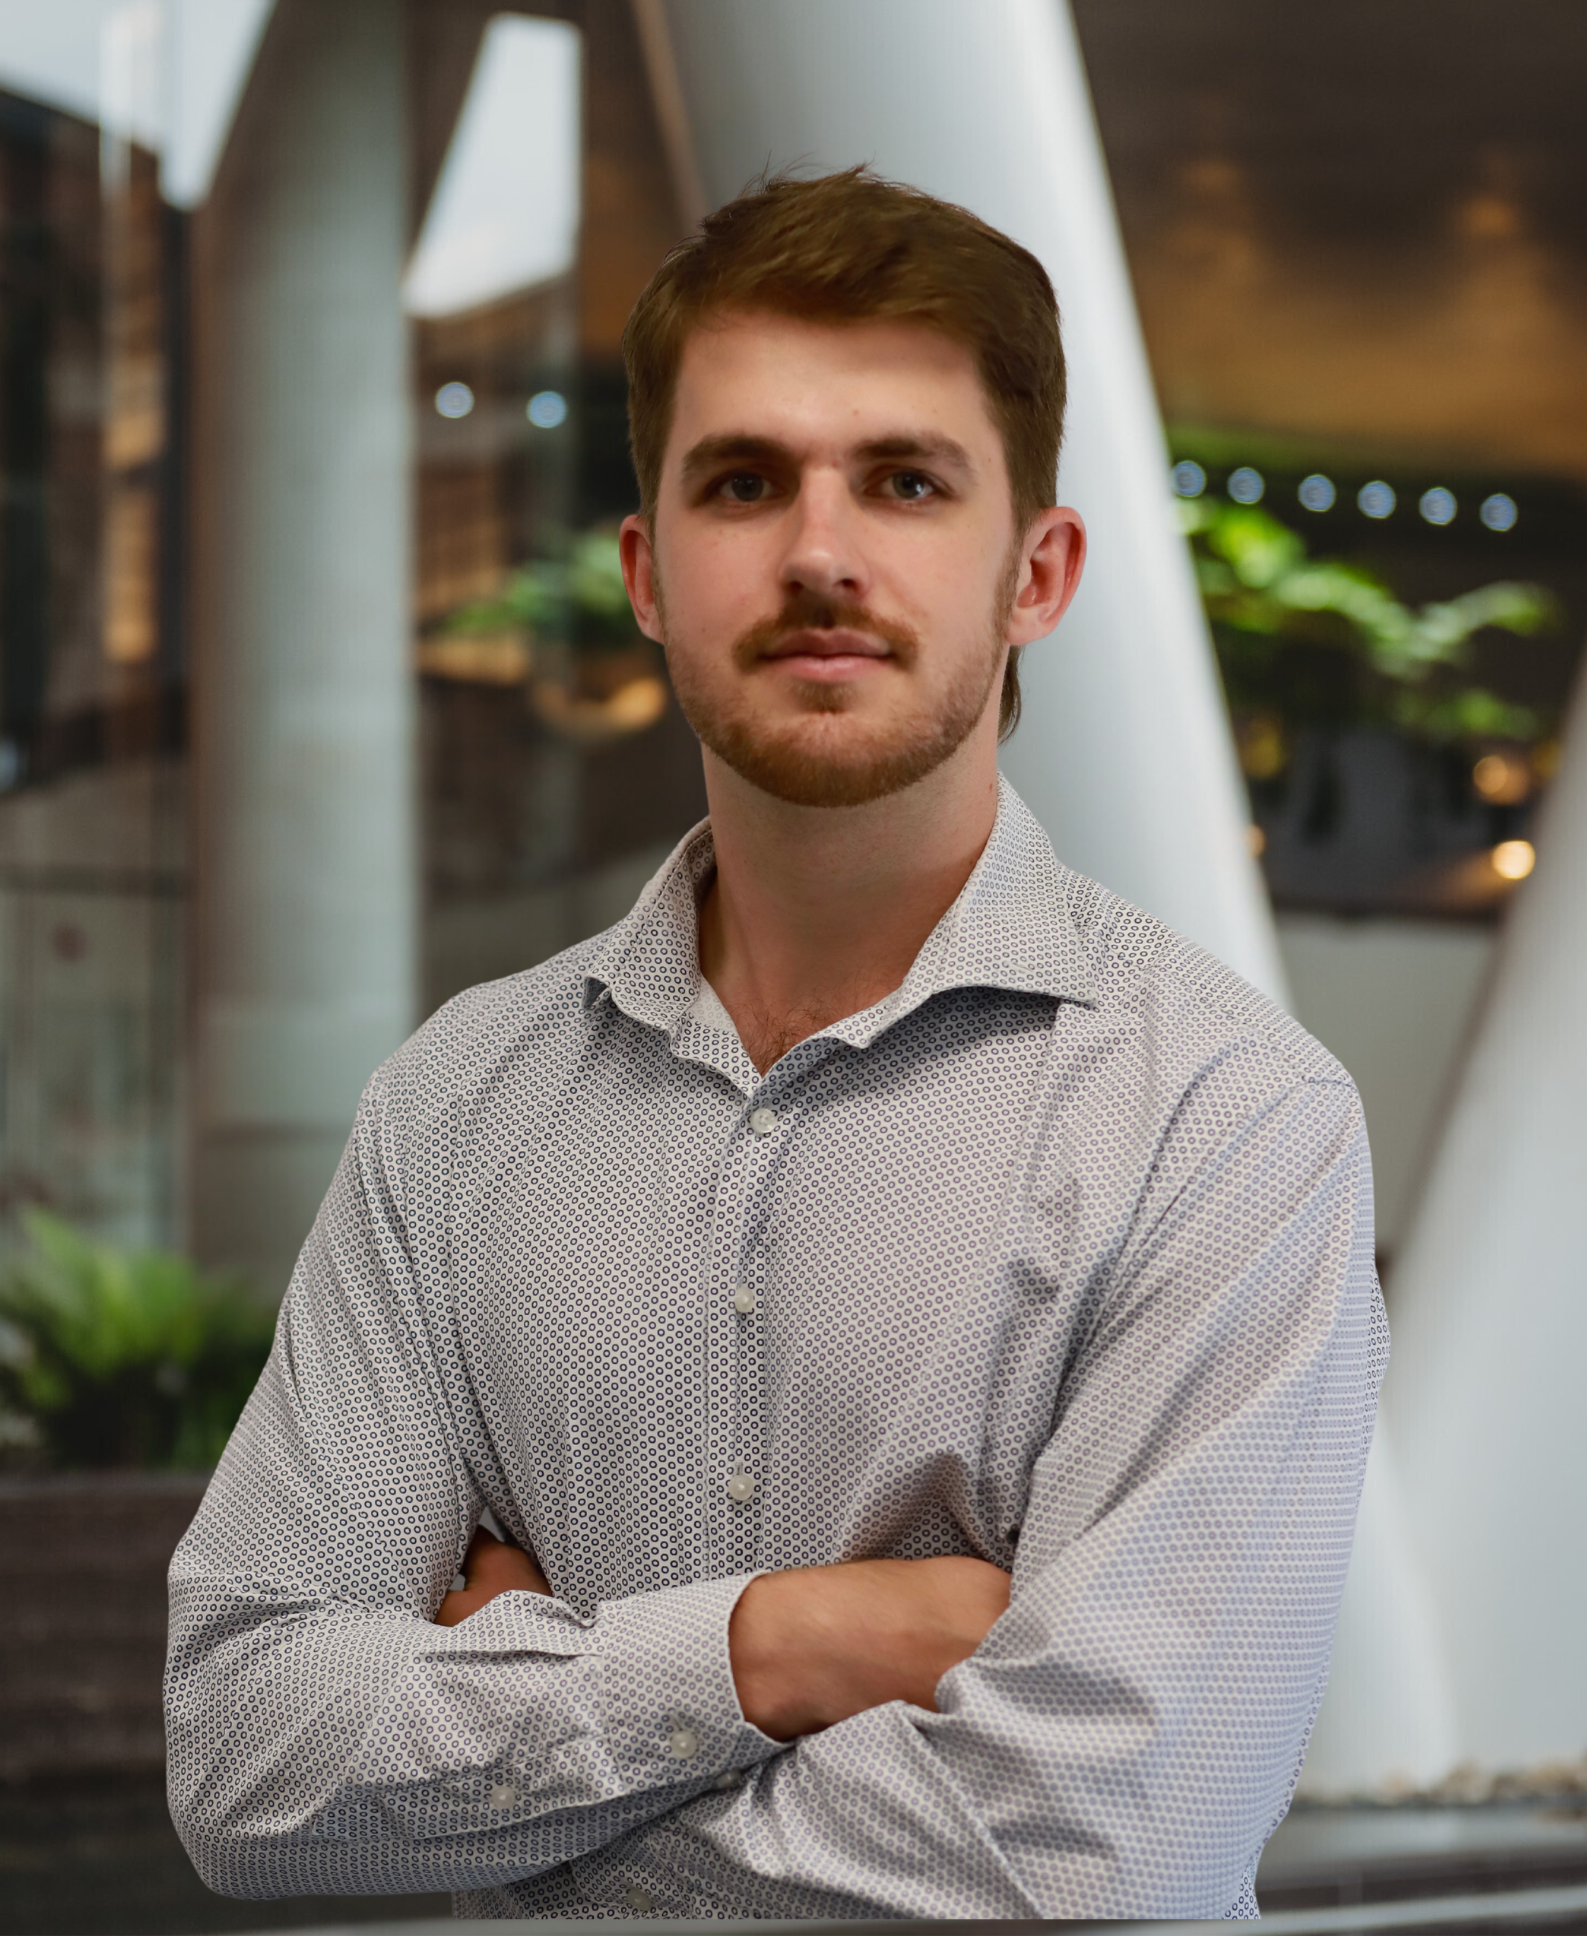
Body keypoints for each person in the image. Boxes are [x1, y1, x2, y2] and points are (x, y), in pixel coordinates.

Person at [167, 169, 1383, 1922]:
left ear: (1035, 573)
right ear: (647, 573)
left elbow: (1100, 1853)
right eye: (743, 482)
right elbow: (243, 1760)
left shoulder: (1223, 1119)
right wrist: (783, 1649)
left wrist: (528, 1711)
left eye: (904, 481)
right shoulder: (454, 1108)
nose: (819, 552)